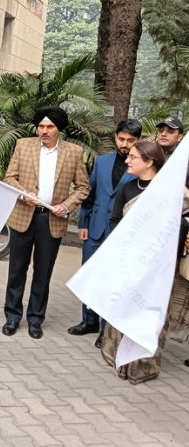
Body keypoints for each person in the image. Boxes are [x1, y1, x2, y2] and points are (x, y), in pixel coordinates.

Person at [1, 106, 90, 339]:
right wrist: (23, 194)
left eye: (49, 126)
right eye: (41, 126)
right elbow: (9, 177)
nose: (44, 130)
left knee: (43, 273)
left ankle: (35, 319)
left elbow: (83, 187)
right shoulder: (23, 145)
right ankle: (12, 317)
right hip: (23, 216)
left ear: (58, 128)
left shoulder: (73, 152)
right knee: (16, 270)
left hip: (51, 220)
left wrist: (67, 206)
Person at [101, 141, 186, 384]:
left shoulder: (171, 191)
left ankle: (143, 366)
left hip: (158, 269)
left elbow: (179, 226)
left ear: (149, 162)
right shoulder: (127, 188)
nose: (127, 160)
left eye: (133, 157)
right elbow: (115, 220)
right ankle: (119, 357)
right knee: (124, 310)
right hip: (129, 262)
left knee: (151, 315)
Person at [69, 119, 141, 348]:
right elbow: (90, 196)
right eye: (121, 139)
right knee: (91, 277)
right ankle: (88, 321)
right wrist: (83, 224)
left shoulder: (140, 167)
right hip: (96, 230)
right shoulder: (101, 162)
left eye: (130, 140)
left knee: (112, 282)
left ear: (137, 141)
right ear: (115, 138)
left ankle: (105, 330)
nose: (125, 144)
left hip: (121, 234)